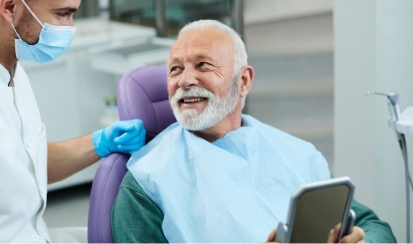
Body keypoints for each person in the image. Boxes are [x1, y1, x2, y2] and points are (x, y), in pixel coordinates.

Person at [111, 19, 397, 243]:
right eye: (175, 69)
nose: (185, 80)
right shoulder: (146, 184)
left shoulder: (296, 153)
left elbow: (373, 226)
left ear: (244, 81)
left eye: (203, 65)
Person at [0, 0, 145, 242]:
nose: (70, 28)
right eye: (62, 14)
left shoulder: (7, 67)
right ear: (10, 7)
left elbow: (23, 162)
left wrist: (99, 142)